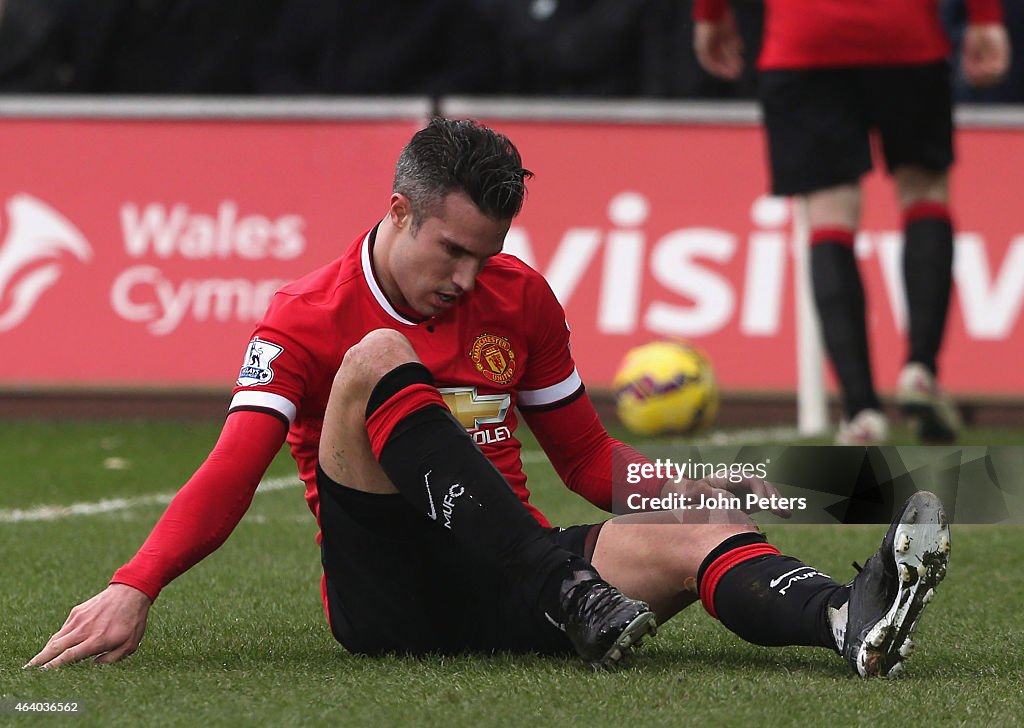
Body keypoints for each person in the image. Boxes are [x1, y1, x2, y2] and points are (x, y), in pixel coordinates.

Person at [28, 118, 950, 677]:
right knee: (378, 356)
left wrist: (702, 487)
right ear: (397, 212)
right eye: (451, 252)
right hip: (389, 596)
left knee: (693, 529)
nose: (470, 278)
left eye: (487, 253)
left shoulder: (522, 297)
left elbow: (590, 464)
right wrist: (133, 586)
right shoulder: (305, 315)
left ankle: (848, 617)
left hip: (531, 588)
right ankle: (568, 592)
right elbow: (234, 468)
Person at [693, 0, 1011, 444]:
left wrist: (710, 15)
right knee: (923, 191)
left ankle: (861, 410)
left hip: (802, 38)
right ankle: (921, 369)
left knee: (828, 211)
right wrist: (986, 18)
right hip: (904, 34)